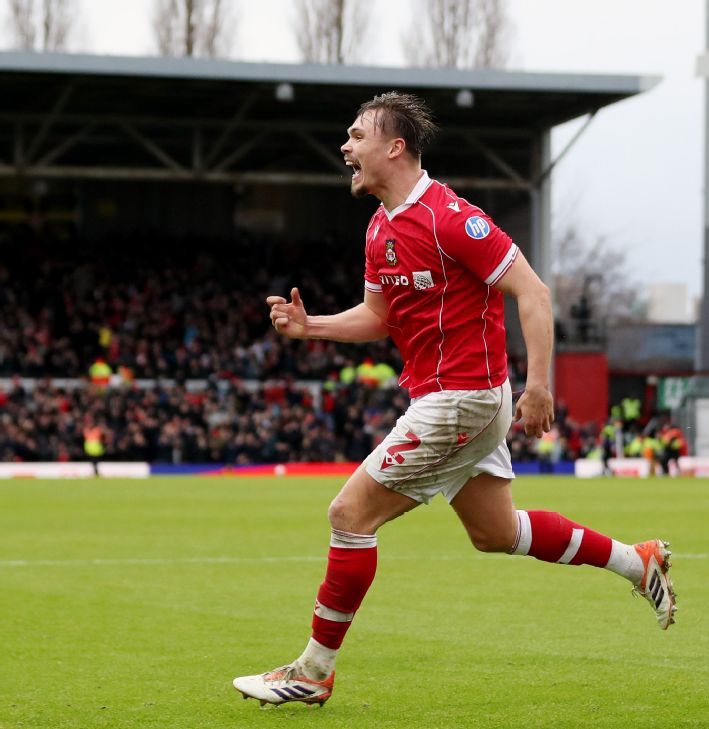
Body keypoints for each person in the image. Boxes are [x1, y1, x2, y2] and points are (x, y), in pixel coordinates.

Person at [232, 92, 676, 708]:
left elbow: (534, 292)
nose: (346, 147)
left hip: (460, 399)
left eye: (357, 135)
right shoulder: (381, 226)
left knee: (348, 516)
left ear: (395, 147)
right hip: (452, 398)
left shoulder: (451, 218)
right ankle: (639, 562)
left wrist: (540, 384)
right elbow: (380, 315)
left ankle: (313, 672)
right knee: (496, 534)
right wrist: (312, 328)